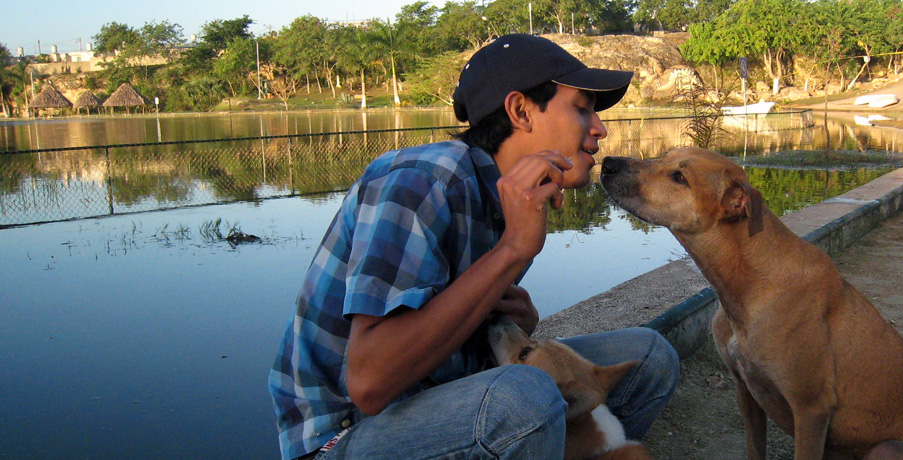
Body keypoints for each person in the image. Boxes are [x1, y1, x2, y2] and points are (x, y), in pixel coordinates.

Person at [268, 34, 680, 460]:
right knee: (525, 400)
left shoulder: (508, 193)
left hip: (446, 397)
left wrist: (517, 318)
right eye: (582, 108)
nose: (600, 128)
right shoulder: (421, 180)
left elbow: (452, 329)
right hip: (350, 432)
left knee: (650, 357)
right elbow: (371, 383)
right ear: (520, 111)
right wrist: (513, 251)